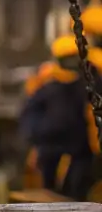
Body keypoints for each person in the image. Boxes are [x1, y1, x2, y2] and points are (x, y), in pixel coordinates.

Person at [20, 30, 101, 199]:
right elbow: (30, 113)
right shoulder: (48, 84)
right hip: (51, 149)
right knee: (50, 193)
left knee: (77, 192)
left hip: (82, 152)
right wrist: (39, 135)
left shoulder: (92, 82)